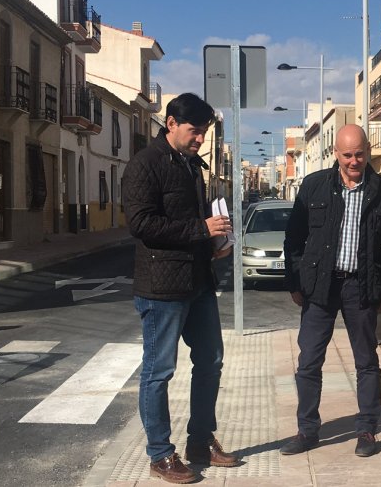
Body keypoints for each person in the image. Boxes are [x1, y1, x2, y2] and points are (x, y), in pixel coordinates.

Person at [122, 93, 240, 484]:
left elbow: (194, 221)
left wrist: (214, 242)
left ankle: (200, 442)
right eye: (194, 131)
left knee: (211, 361)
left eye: (205, 132)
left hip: (199, 281)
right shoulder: (144, 165)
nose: (200, 139)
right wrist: (199, 230)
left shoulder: (192, 166)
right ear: (170, 123)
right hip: (161, 287)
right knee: (159, 371)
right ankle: (160, 453)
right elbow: (141, 224)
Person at [280, 124, 381, 458]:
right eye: (347, 154)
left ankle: (366, 429)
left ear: (367, 150)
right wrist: (295, 282)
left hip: (361, 286)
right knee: (308, 361)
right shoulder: (314, 186)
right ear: (336, 153)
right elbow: (293, 239)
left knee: (366, 360)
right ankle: (307, 430)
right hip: (320, 286)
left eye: (360, 154)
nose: (354, 161)